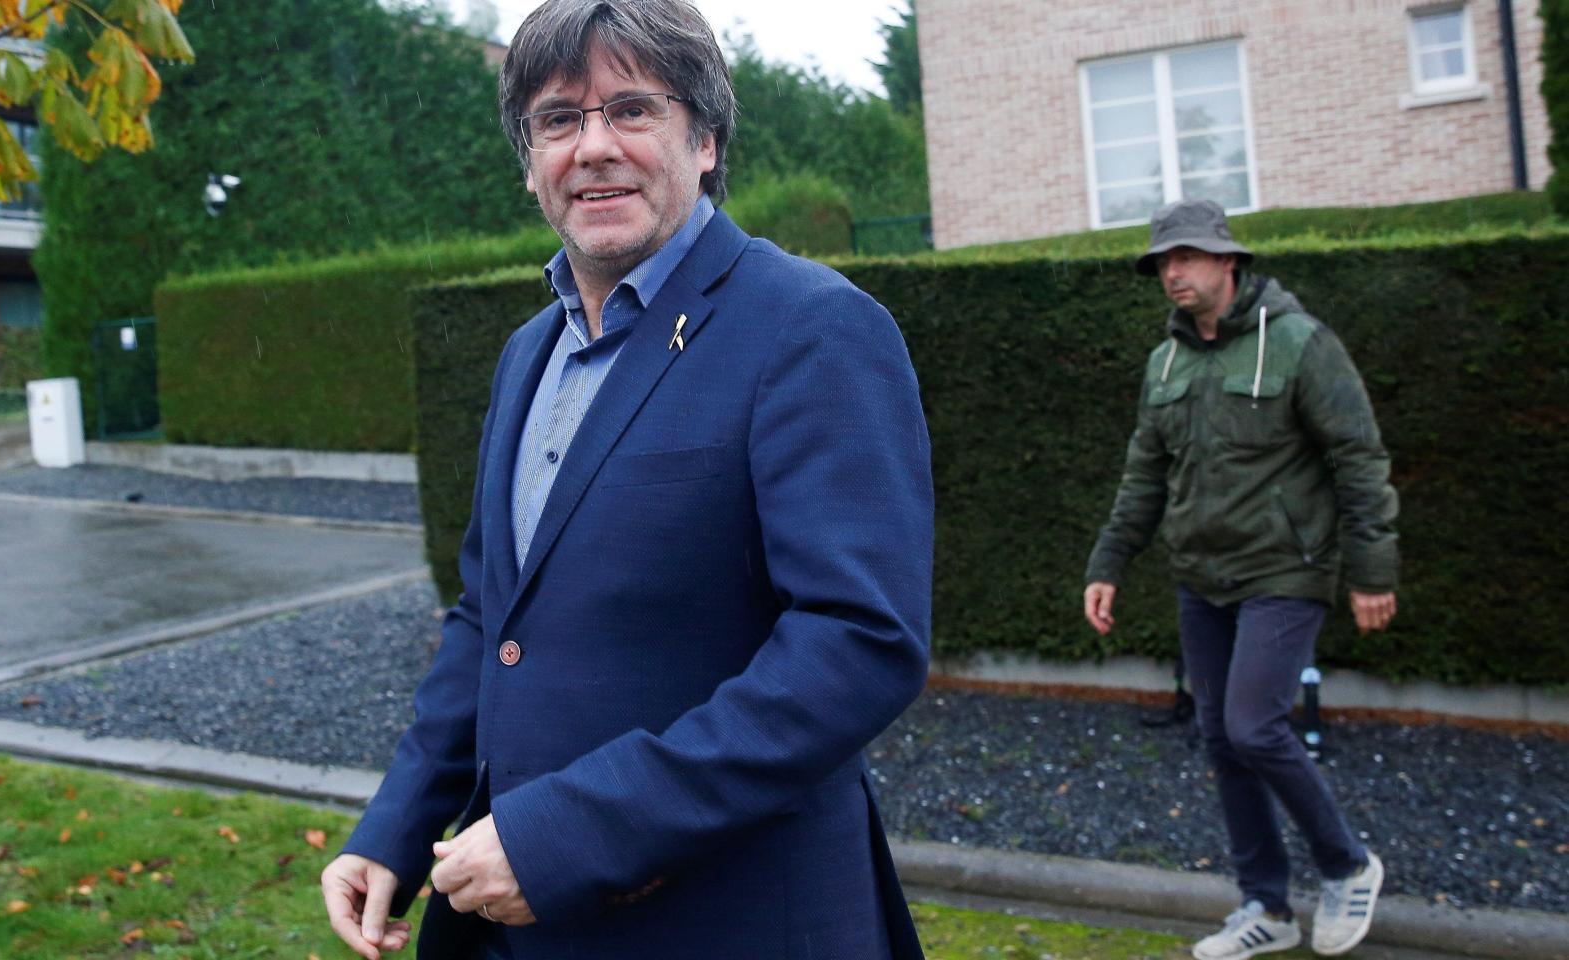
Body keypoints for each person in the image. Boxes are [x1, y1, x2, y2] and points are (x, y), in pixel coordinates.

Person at [319, 2, 935, 958]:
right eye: (558, 119)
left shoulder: (812, 326)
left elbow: (858, 644)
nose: (594, 146)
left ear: (706, 141)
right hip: (514, 926)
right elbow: (490, 616)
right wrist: (398, 824)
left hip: (725, 922)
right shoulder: (528, 354)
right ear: (530, 162)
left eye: (633, 109)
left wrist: (570, 834)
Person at [1082, 199, 1398, 960]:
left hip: (1285, 570)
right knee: (1223, 739)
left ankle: (1347, 865)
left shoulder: (1299, 343)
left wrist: (1371, 570)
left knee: (1255, 727)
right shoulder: (1166, 363)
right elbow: (1143, 476)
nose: (1174, 273)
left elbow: (1359, 458)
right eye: (1164, 262)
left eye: (1187, 257)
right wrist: (1108, 563)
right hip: (1201, 576)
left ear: (1228, 261)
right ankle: (1267, 905)